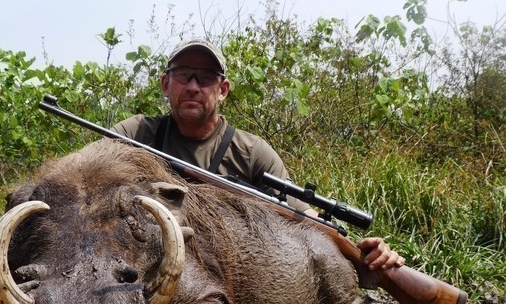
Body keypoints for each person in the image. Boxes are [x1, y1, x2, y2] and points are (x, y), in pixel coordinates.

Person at [112, 38, 405, 270]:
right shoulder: (134, 134)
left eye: (205, 79)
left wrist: (359, 253)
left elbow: (302, 216)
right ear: (166, 84)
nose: (192, 87)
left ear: (223, 90)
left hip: (228, 271)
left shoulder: (252, 152)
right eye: (182, 76)